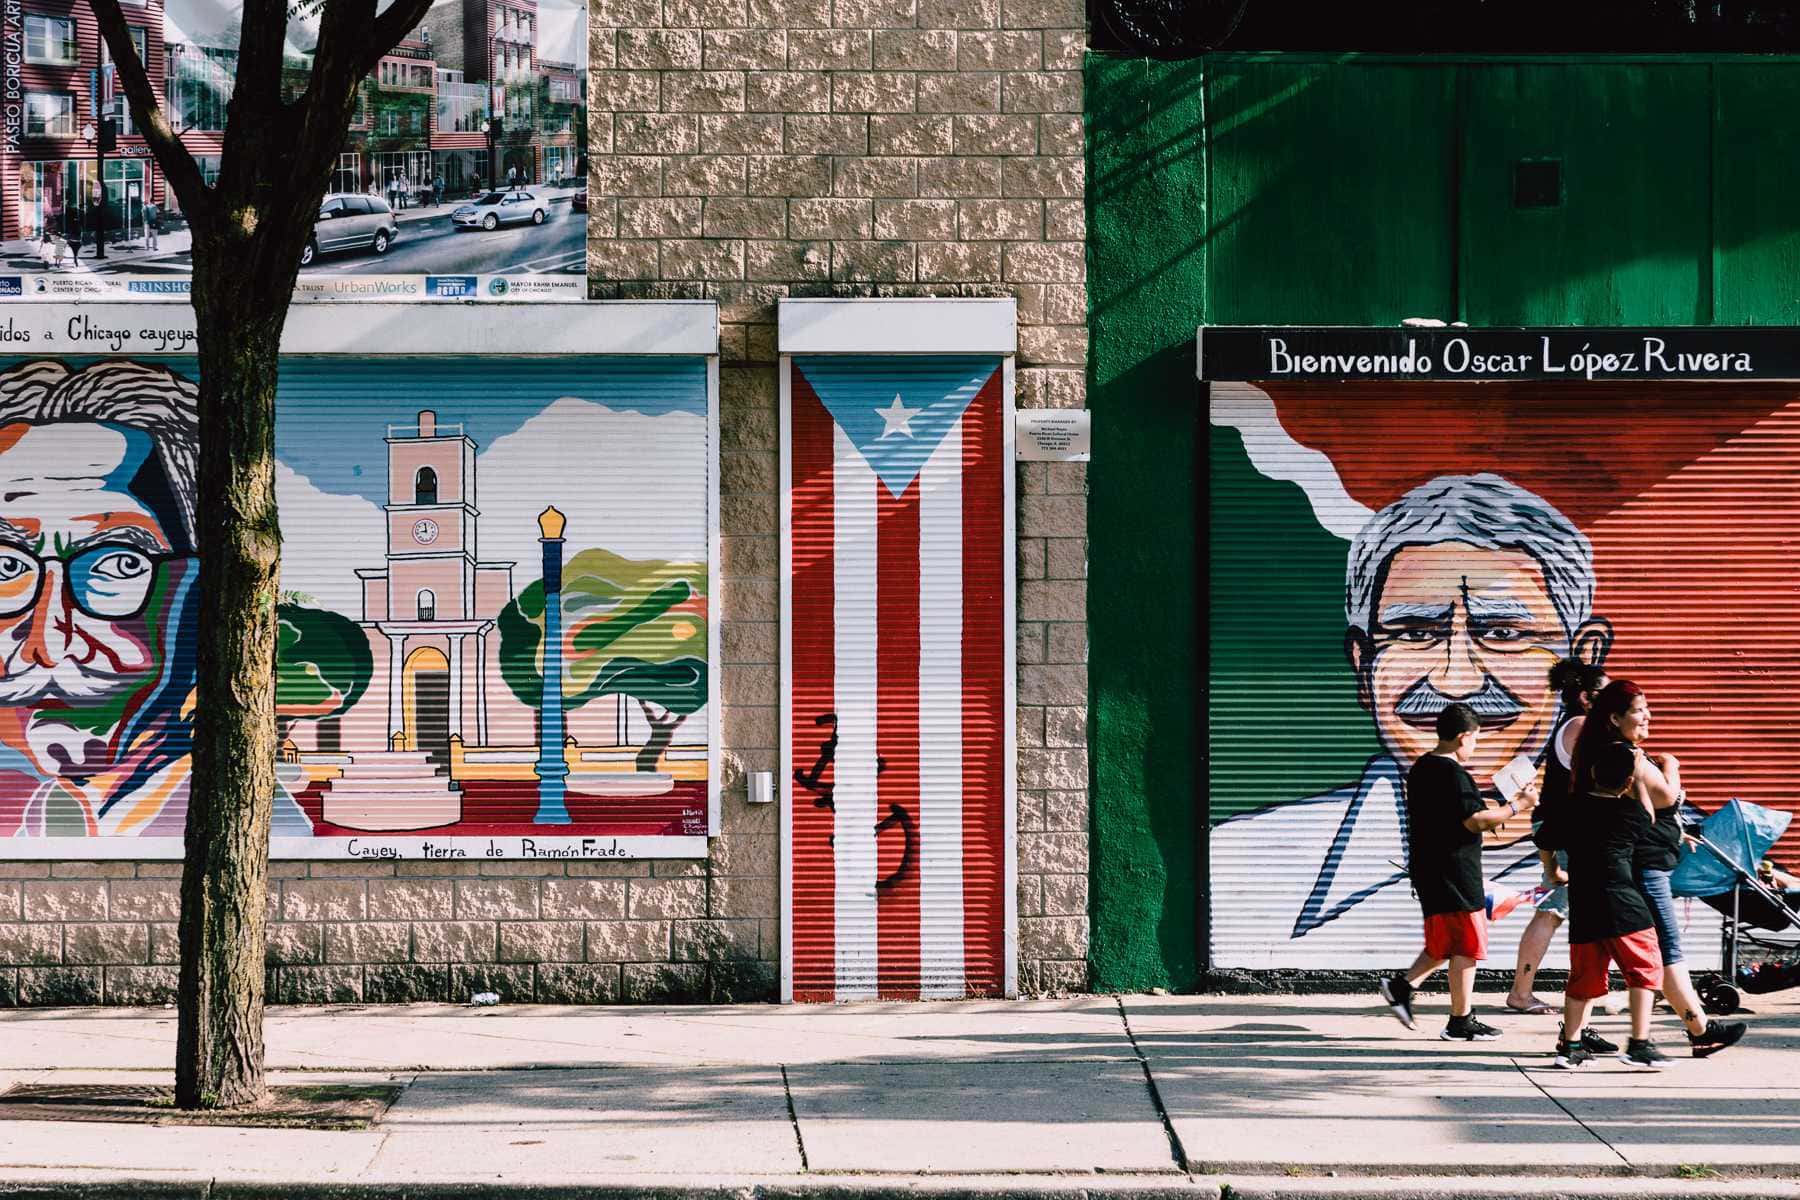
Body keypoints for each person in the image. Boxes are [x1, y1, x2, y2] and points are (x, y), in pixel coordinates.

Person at [1210, 473, 1615, 965]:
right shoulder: (1243, 859)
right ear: (1363, 666)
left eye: (1505, 632)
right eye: (1416, 632)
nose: (1456, 682)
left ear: (1580, 656)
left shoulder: (1685, 883)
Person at [0, 360, 311, 839]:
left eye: (119, 565)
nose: (47, 643)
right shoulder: (30, 807)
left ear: (205, 588)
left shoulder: (259, 830)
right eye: (8, 566)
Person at [1588, 682, 1749, 1058]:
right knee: (1667, 949)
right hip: (1646, 871)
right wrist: (1673, 765)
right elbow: (1666, 797)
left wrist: (1675, 833)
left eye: (1647, 709)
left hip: (1645, 865)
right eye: (1639, 710)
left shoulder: (1614, 753)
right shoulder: (1625, 757)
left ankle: (1576, 1036)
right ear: (1615, 718)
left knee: (1636, 952)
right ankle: (1697, 1030)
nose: (1648, 716)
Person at [1379, 702, 1538, 1039]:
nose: (1475, 746)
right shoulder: (1453, 774)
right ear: (1464, 736)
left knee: (1446, 942)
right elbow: (1474, 820)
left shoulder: (1422, 767)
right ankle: (1460, 1021)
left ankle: (1401, 987)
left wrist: (1495, 810)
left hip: (1431, 869)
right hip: (1453, 872)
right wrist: (1517, 806)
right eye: (1476, 739)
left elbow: (1454, 817)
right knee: (1467, 944)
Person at [1553, 737, 1674, 1069]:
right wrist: (1644, 779)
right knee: (1645, 970)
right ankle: (1639, 1044)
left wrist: (1555, 872)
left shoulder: (1572, 807)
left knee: (1583, 979)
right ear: (1628, 783)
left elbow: (1545, 838)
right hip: (1624, 905)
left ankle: (1571, 1047)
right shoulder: (1629, 812)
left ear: (1593, 771)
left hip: (1584, 905)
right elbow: (1650, 813)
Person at [1506, 657, 1607, 1015]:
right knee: (1552, 911)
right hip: (1566, 833)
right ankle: (1521, 992)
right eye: (1604, 693)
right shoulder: (1580, 726)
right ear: (1585, 696)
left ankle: (1597, 990)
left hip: (1563, 830)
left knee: (1567, 911)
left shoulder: (1574, 723)